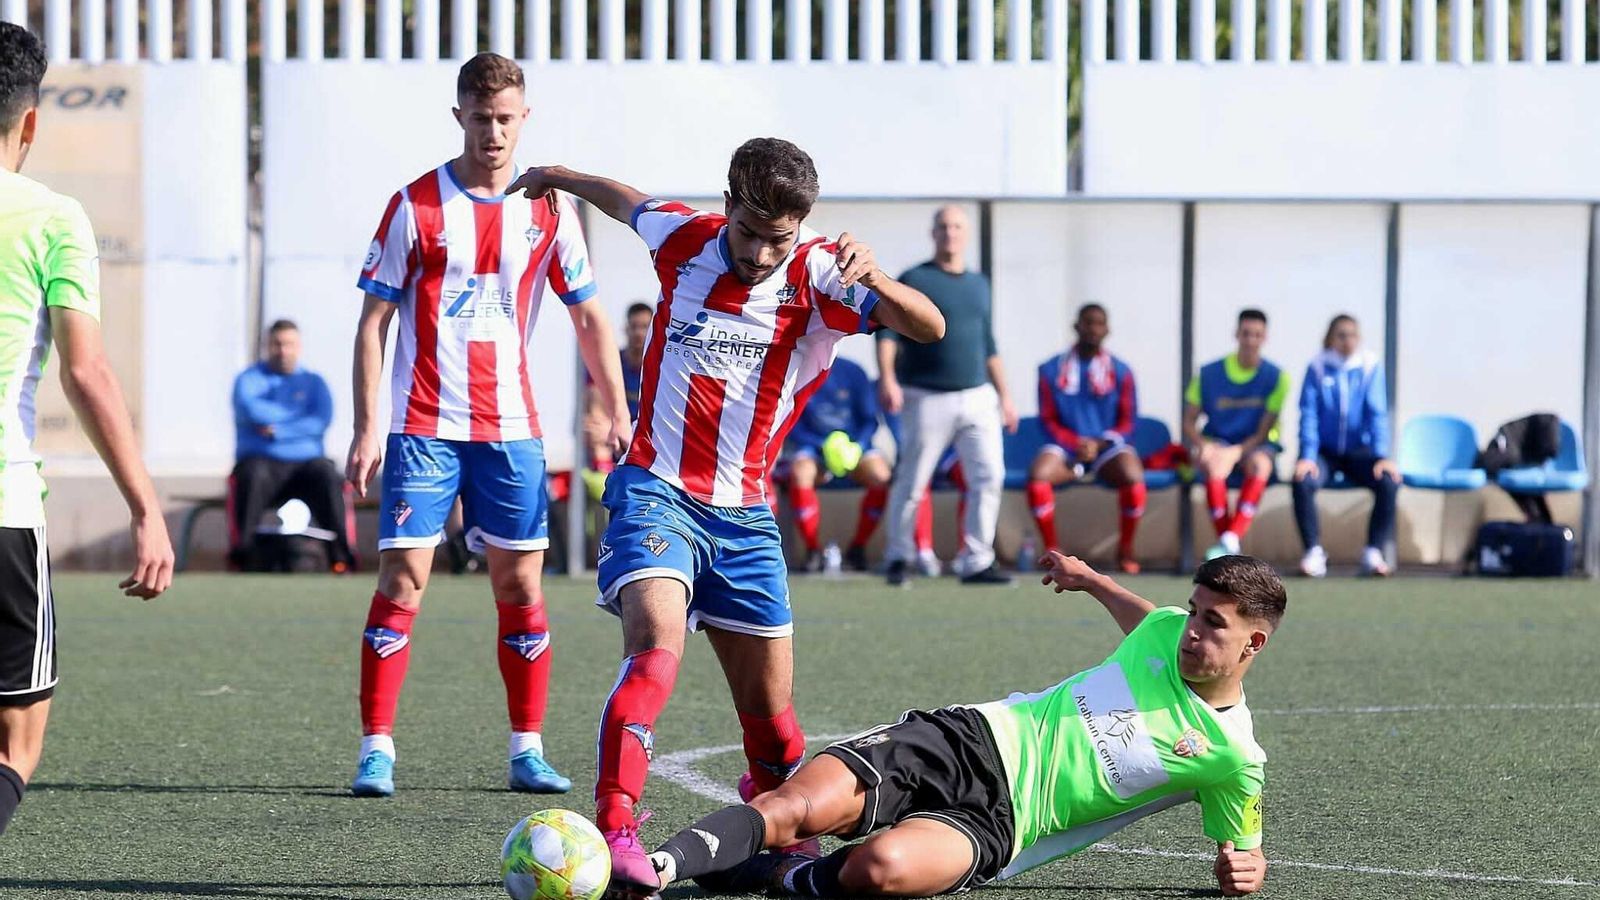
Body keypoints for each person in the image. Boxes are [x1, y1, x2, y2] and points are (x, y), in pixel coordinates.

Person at [504, 137, 945, 893]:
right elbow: (622, 198)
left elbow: (929, 327)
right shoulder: (683, 236)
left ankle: (774, 824)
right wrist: (554, 176)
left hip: (743, 519)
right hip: (655, 492)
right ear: (727, 207)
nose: (760, 253)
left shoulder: (819, 276)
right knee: (655, 648)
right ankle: (616, 829)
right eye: (748, 233)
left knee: (774, 728)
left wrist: (875, 276)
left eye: (779, 238)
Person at [644, 552, 1282, 898]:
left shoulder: (1232, 756)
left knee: (880, 870)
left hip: (1004, 822)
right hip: (967, 739)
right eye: (1193, 610)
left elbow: (1242, 851)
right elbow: (1145, 616)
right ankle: (654, 870)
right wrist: (1089, 580)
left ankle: (780, 875)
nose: (1191, 630)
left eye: (1212, 623)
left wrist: (1245, 872)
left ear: (1253, 645)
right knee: (795, 808)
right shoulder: (1168, 630)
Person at [344, 52, 631, 798]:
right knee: (404, 579)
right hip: (424, 425)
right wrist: (368, 426)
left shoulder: (547, 210)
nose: (494, 132)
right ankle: (377, 748)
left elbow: (591, 317)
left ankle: (526, 750)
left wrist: (615, 408)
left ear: (523, 118)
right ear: (460, 117)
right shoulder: (414, 204)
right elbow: (373, 321)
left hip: (512, 429)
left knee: (519, 585)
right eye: (481, 118)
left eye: (506, 119)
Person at [0, 22, 175, 836]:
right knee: (16, 740)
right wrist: (144, 506)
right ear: (31, 122)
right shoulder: (52, 217)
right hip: (3, 507)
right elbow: (87, 371)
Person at [878, 206, 1019, 587]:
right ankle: (899, 557)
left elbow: (988, 343)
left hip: (977, 396)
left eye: (957, 226)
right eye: (943, 226)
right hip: (925, 396)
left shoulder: (979, 284)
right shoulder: (915, 278)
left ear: (966, 233)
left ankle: (976, 560)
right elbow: (888, 333)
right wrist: (887, 378)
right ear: (933, 233)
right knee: (912, 479)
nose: (950, 233)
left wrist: (1005, 396)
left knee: (989, 476)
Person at [1025, 303, 1146, 574]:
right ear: (1076, 326)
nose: (1093, 329)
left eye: (1099, 323)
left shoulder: (1121, 371)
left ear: (1107, 330)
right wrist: (1075, 444)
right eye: (1087, 323)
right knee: (1038, 475)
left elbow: (1128, 421)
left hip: (1106, 448)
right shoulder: (1050, 369)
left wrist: (1099, 444)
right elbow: (1047, 419)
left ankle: (1125, 550)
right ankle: (1052, 550)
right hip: (1067, 447)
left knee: (1133, 475)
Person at [229, 319, 355, 573]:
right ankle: (242, 557)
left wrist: (278, 430)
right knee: (251, 474)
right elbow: (253, 411)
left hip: (306, 466)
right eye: (277, 344)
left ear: (299, 347)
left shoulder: (315, 383)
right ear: (267, 346)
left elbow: (320, 421)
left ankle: (341, 557)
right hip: (262, 465)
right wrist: (298, 420)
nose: (283, 350)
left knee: (327, 474)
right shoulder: (249, 379)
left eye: (289, 344)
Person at [1292, 315, 1398, 578]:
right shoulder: (1317, 367)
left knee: (1388, 481)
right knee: (1303, 480)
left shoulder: (1369, 366)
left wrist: (1382, 455)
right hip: (1324, 453)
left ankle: (1373, 551)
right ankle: (1314, 552)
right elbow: (1309, 413)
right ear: (1331, 337)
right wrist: (1307, 455)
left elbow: (1377, 414)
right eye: (1341, 334)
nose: (1347, 340)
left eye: (1352, 334)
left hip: (1358, 453)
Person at [1183, 309, 1290, 561]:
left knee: (1261, 465)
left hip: (1255, 444)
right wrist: (1203, 445)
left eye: (1257, 335)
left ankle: (1229, 540)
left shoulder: (1277, 377)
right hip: (1219, 442)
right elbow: (1189, 421)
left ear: (1265, 338)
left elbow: (1264, 430)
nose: (1250, 340)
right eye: (1246, 333)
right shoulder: (1208, 373)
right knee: (1213, 464)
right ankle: (1228, 542)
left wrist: (1236, 452)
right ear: (1236, 334)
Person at [772, 357, 889, 573]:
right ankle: (813, 550)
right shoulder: (802, 368)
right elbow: (791, 420)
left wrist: (857, 447)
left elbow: (869, 420)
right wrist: (821, 445)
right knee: (800, 473)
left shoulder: (853, 370)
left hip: (853, 447)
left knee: (880, 475)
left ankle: (858, 547)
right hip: (814, 448)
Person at [584, 301, 652, 473]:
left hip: (648, 437)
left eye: (644, 327)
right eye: (634, 326)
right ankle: (604, 478)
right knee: (596, 423)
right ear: (626, 329)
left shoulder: (660, 366)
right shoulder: (612, 363)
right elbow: (594, 404)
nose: (638, 333)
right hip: (615, 432)